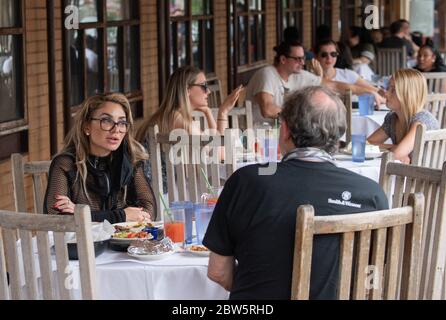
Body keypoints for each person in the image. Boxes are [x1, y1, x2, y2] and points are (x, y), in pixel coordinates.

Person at [204, 86, 389, 300]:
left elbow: (218, 272)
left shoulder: (244, 182)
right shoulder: (371, 194)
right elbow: (372, 275)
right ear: (339, 136)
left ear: (285, 130)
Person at [44, 93, 156, 223]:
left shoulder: (130, 162)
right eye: (107, 121)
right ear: (87, 126)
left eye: (122, 122)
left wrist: (79, 212)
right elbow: (56, 218)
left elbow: (149, 212)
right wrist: (122, 216)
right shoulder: (66, 164)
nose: (116, 130)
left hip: (124, 242)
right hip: (80, 243)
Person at [136, 66, 243, 138]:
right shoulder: (178, 120)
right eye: (204, 86)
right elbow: (219, 155)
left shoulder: (171, 115)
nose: (208, 91)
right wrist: (223, 112)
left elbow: (214, 147)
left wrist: (208, 112)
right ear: (187, 90)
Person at [368, 69, 440, 163]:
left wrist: (395, 150)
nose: (386, 93)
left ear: (408, 94)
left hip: (423, 176)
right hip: (403, 175)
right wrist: (393, 147)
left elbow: (397, 155)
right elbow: (368, 143)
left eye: (393, 90)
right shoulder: (392, 119)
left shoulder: (422, 120)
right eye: (388, 88)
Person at [245, 40, 322, 126]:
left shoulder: (296, 75)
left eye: (303, 58)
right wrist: (297, 116)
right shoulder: (267, 73)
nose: (302, 63)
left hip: (278, 132)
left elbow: (330, 85)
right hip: (257, 134)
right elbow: (267, 110)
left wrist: (320, 76)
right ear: (283, 59)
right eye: (298, 59)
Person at [315, 40, 384, 104]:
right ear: (316, 57)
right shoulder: (309, 77)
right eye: (324, 54)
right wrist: (319, 76)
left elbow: (376, 90)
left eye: (333, 54)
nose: (329, 58)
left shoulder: (347, 74)